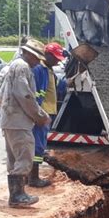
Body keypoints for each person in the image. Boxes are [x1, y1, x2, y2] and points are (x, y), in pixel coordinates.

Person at [0, 38, 51, 207]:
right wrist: (40, 116)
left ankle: (16, 196)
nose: (37, 63)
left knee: (14, 158)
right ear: (29, 54)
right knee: (25, 156)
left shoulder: (16, 66)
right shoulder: (21, 67)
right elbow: (25, 95)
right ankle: (18, 196)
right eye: (37, 58)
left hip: (11, 120)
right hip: (18, 120)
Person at [29, 42, 66, 188]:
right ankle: (33, 178)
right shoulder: (39, 69)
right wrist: (37, 114)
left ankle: (30, 176)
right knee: (37, 146)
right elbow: (33, 93)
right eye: (55, 58)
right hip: (41, 114)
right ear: (47, 55)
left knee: (40, 144)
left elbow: (57, 88)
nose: (58, 61)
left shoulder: (49, 71)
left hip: (47, 112)